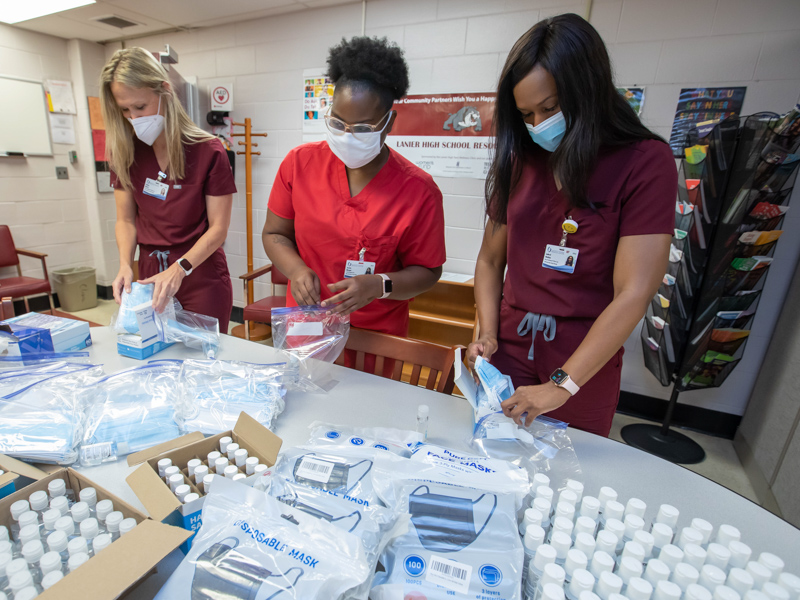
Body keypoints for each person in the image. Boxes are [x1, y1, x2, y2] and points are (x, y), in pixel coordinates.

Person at [467, 14, 677, 437]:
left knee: (568, 476)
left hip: (582, 358)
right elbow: (491, 261)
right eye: (526, 114)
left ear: (589, 90)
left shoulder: (644, 161)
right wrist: (485, 333)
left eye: (550, 108)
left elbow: (634, 292)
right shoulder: (520, 159)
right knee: (492, 457)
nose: (537, 125)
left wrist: (561, 385)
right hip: (509, 347)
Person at [263, 36, 445, 346]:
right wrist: (296, 270)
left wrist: (379, 285)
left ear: (388, 122)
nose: (347, 136)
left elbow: (428, 270)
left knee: (367, 396)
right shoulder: (299, 164)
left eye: (362, 128)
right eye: (337, 123)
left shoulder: (418, 190)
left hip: (375, 335)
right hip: (309, 322)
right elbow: (275, 234)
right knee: (304, 392)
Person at [101, 47, 236, 332]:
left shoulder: (208, 151)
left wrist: (180, 268)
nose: (134, 118)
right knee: (156, 361)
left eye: (140, 107)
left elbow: (218, 229)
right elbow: (125, 220)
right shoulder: (125, 152)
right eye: (124, 110)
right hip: (150, 276)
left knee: (202, 364)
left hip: (198, 274)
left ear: (164, 91)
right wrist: (126, 264)